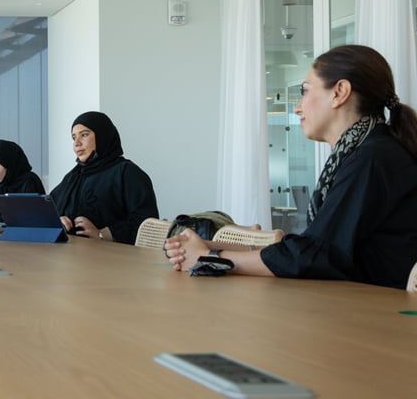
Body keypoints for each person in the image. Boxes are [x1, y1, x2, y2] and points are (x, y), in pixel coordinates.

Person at [166, 45, 417, 288]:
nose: (297, 107)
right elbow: (314, 246)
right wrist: (211, 248)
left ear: (340, 92)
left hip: (382, 316)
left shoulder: (372, 158)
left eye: (305, 91)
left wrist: (212, 260)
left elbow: (315, 255)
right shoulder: (363, 152)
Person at [50, 111, 159, 244]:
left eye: (84, 135)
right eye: (74, 137)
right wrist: (57, 222)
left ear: (102, 136)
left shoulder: (126, 172)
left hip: (114, 259)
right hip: (70, 255)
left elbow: (147, 225)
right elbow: (48, 210)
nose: (76, 143)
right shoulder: (73, 176)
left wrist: (102, 234)